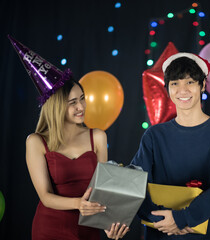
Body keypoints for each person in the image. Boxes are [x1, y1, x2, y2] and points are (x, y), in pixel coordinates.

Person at [9, 35, 129, 240]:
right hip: (50, 229)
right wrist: (78, 204)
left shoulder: (97, 137)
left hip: (88, 229)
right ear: (56, 107)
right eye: (72, 102)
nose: (81, 107)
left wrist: (110, 223)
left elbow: (104, 191)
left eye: (82, 99)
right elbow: (45, 197)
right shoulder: (36, 142)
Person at [131, 52, 210, 239]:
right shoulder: (154, 136)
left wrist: (183, 219)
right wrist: (160, 220)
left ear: (203, 85)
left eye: (190, 82)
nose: (183, 90)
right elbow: (135, 182)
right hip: (161, 232)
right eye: (175, 83)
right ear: (167, 89)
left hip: (207, 234)